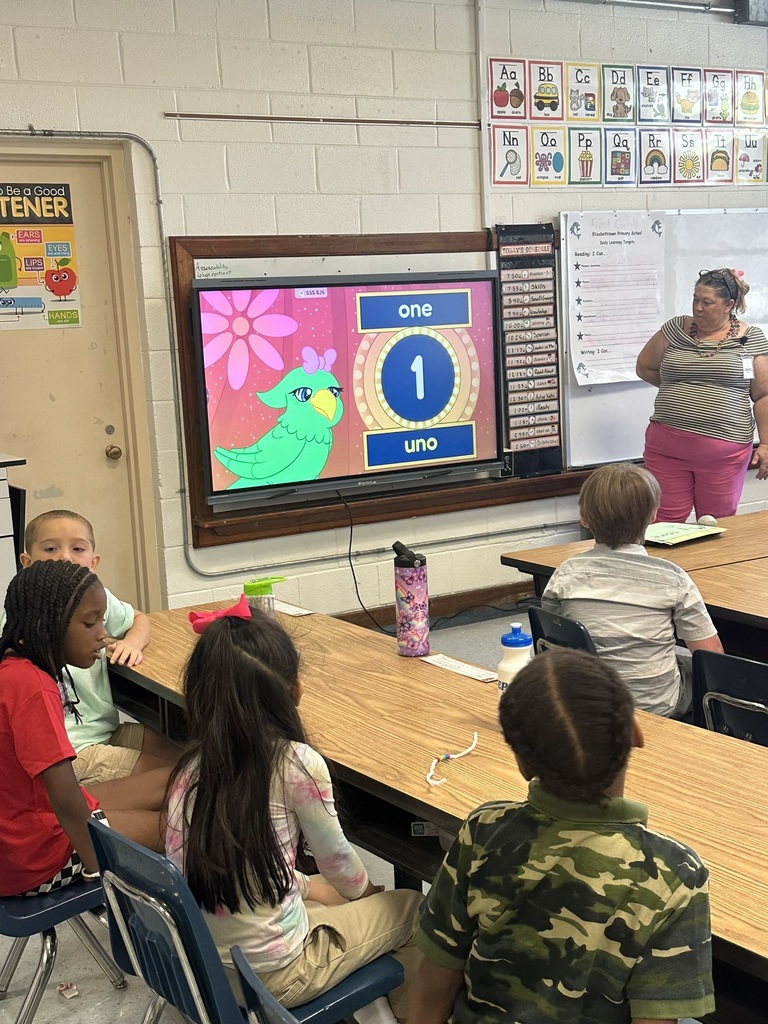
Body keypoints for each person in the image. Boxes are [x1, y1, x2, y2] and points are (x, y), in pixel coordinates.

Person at [410, 649, 715, 1024]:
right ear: (635, 732)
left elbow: (435, 976)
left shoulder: (483, 829)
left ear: (522, 763)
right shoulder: (676, 874)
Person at [165, 608, 422, 1017]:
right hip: (276, 977)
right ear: (295, 691)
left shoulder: (189, 769)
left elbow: (240, 869)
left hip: (205, 969)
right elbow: (340, 865)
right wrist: (370, 895)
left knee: (323, 893)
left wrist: (308, 887)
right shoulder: (296, 764)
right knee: (412, 907)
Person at [0, 560, 164, 898]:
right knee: (174, 828)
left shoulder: (13, 669)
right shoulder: (33, 687)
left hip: (23, 830)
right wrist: (97, 867)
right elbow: (64, 797)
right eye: (90, 623)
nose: (102, 635)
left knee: (174, 782)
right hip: (37, 859)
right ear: (47, 627)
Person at [6, 509, 179, 785]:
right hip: (72, 750)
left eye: (77, 548)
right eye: (51, 548)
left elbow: (138, 618)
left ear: (93, 561)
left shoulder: (95, 597)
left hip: (106, 731)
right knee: (179, 780)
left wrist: (131, 642)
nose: (65, 556)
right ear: (27, 562)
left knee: (187, 753)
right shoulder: (22, 618)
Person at [541, 462, 722, 718]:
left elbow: (553, 636)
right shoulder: (672, 578)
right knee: (692, 666)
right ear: (653, 516)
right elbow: (711, 654)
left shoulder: (565, 574)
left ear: (584, 518)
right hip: (657, 707)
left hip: (583, 701)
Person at [636, 267, 768, 521]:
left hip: (724, 452)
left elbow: (763, 395)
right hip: (667, 447)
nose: (698, 308)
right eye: (696, 299)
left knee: (716, 525)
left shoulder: (750, 339)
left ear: (729, 305)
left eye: (707, 302)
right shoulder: (675, 329)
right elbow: (645, 366)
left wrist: (766, 443)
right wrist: (683, 391)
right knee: (662, 523)